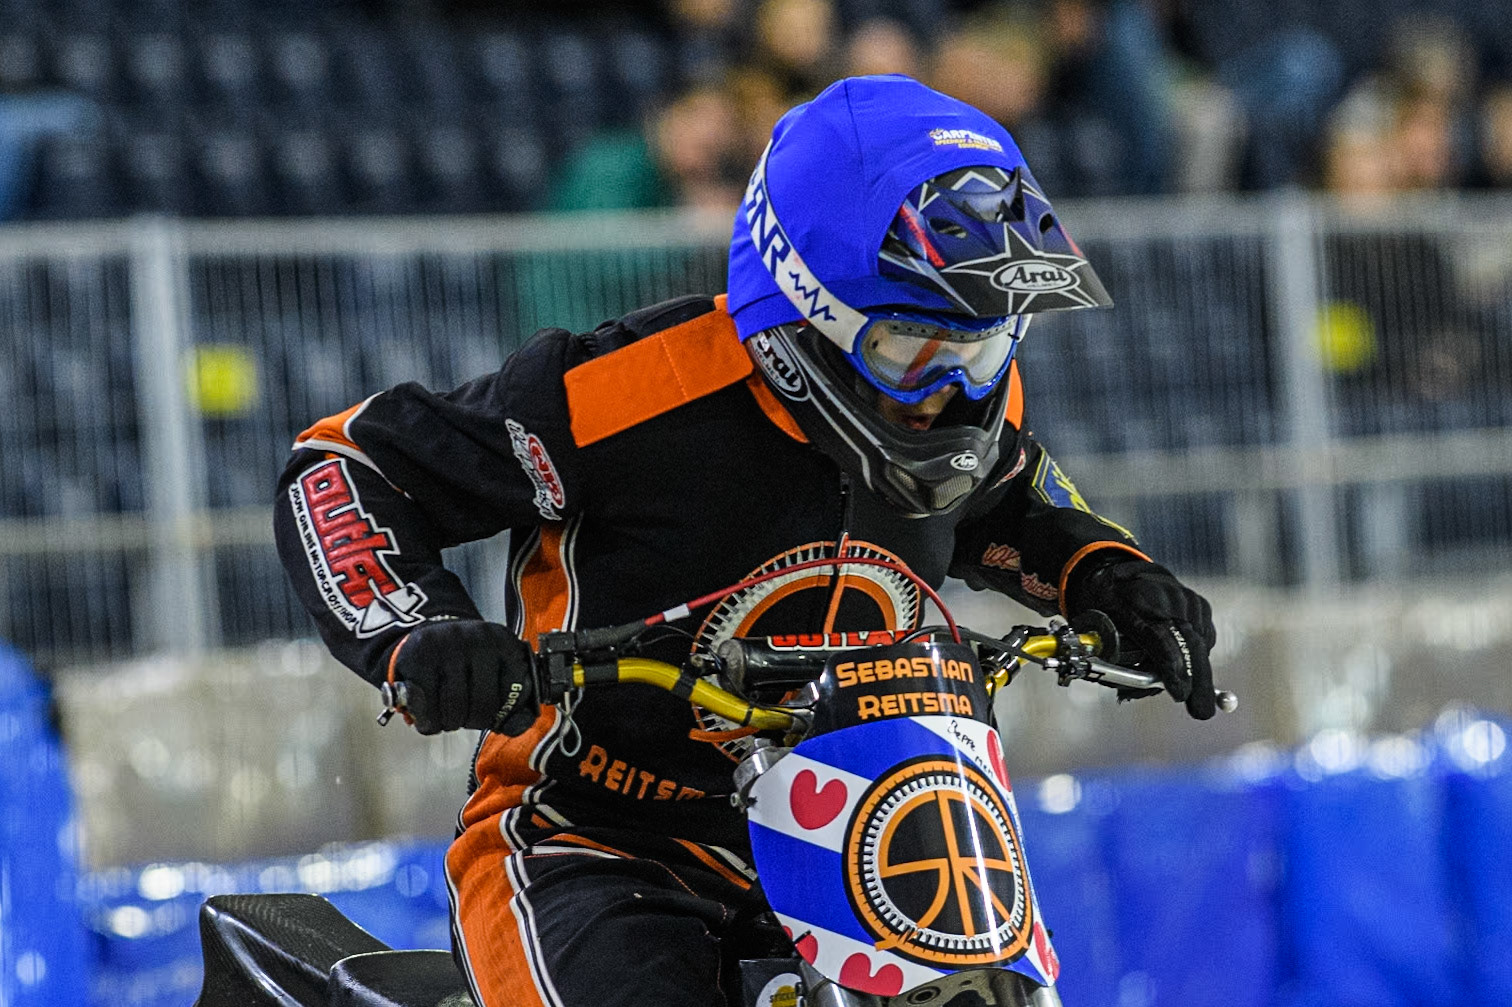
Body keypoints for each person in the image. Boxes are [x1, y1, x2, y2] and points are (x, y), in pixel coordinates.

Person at [274, 75, 1218, 1007]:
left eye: (976, 348)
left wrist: (1113, 575)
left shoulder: (965, 407)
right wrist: (419, 628)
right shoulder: (632, 392)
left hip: (863, 840)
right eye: (910, 347)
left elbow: (1018, 504)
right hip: (596, 842)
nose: (948, 390)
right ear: (804, 307)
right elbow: (346, 464)